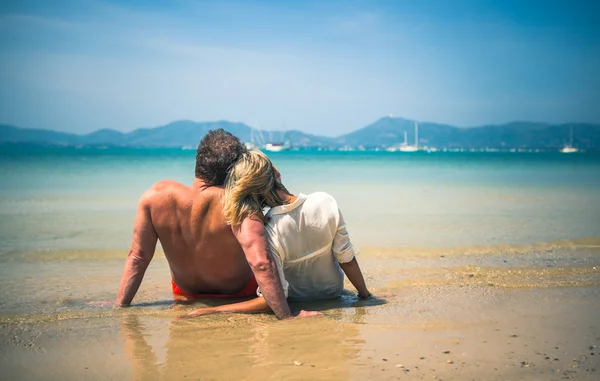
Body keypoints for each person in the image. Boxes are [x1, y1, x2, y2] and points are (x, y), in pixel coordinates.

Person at [115, 129, 312, 319]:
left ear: (199, 160)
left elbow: (137, 257)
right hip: (241, 294)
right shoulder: (237, 204)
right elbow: (260, 263)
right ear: (235, 169)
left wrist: (120, 305)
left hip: (185, 296)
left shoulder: (155, 197)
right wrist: (286, 316)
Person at [184, 150, 371, 317]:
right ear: (277, 174)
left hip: (295, 303)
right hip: (333, 295)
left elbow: (270, 298)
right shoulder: (325, 202)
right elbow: (346, 258)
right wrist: (365, 295)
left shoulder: (269, 230)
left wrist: (213, 310)